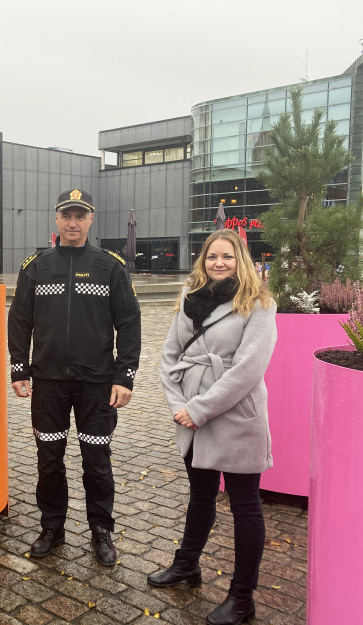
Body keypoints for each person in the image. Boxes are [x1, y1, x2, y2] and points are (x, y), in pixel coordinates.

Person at [8, 189, 141, 566]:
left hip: (97, 383)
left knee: (96, 459)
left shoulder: (110, 266)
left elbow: (129, 323)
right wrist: (20, 367)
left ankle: (102, 531)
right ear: (56, 219)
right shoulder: (35, 265)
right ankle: (52, 527)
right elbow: (19, 320)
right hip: (48, 382)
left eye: (80, 216)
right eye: (67, 215)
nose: (73, 222)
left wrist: (124, 377)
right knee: (49, 459)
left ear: (90, 220)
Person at [150, 228, 276, 625]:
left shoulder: (258, 303)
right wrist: (179, 408)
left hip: (236, 416)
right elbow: (169, 359)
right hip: (190, 417)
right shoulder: (188, 300)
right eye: (211, 257)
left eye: (227, 256)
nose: (218, 263)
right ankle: (188, 565)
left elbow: (249, 369)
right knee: (200, 496)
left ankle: (242, 597)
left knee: (244, 506)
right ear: (202, 261)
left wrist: (199, 409)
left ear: (241, 260)